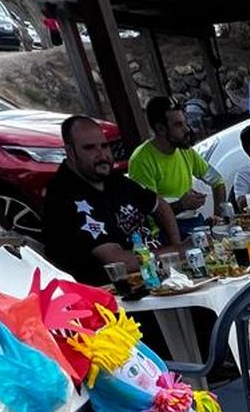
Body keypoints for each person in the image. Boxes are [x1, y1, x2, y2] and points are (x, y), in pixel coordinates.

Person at [41, 115, 179, 287]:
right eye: (89, 148)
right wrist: (176, 253)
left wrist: (176, 245)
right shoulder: (64, 196)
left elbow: (159, 205)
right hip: (116, 294)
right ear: (70, 152)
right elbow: (119, 262)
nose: (102, 154)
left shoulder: (111, 178)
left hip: (154, 274)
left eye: (105, 146)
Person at [126, 95, 229, 217]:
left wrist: (219, 220)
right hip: (162, 233)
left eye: (185, 123)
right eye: (178, 125)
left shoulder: (185, 150)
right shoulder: (142, 160)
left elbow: (217, 181)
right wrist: (181, 205)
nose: (187, 130)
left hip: (194, 223)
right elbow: (147, 213)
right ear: (160, 129)